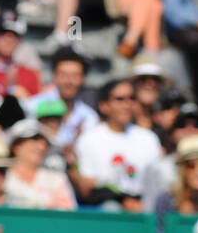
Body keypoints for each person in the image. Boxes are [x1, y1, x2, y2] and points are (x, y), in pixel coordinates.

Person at [70, 77, 163, 211]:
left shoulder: (149, 138)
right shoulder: (89, 139)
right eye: (120, 99)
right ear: (104, 106)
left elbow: (156, 183)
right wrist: (123, 200)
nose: (127, 105)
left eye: (131, 98)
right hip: (106, 206)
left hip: (143, 205)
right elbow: (88, 187)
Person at [3, 118, 76, 210]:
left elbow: (68, 215)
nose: (41, 147)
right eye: (34, 139)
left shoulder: (57, 179)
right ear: (16, 145)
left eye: (46, 143)